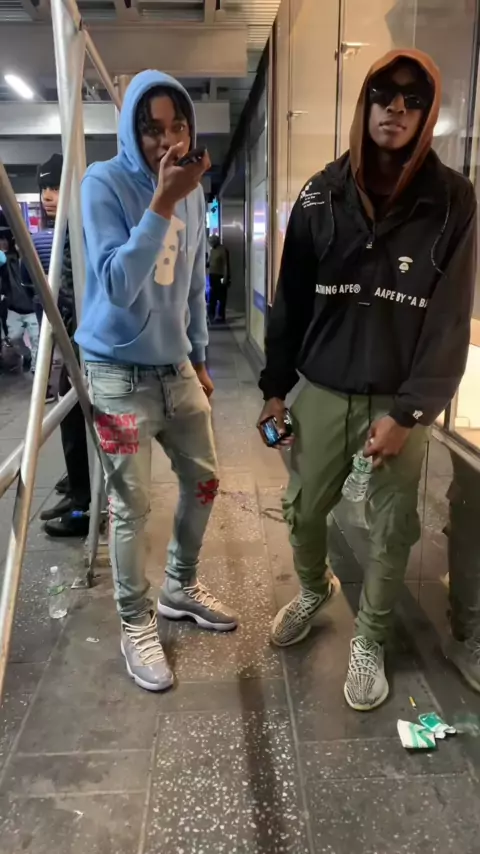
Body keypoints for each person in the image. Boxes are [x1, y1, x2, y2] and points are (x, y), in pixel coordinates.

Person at [258, 49, 477, 711]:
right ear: (365, 101)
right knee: (303, 512)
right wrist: (274, 388)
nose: (396, 109)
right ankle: (314, 589)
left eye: (413, 100)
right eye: (384, 94)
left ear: (427, 113)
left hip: (397, 399)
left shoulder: (451, 201)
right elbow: (290, 300)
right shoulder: (319, 194)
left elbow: (448, 317)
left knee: (391, 529)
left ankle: (371, 637)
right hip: (323, 390)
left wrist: (410, 414)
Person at [75, 70, 238, 693]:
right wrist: (162, 201)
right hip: (117, 376)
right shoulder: (102, 184)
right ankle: (134, 620)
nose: (167, 141)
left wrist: (200, 356)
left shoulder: (191, 189)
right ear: (131, 131)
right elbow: (118, 285)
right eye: (152, 129)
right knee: (131, 506)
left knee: (205, 480)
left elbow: (193, 279)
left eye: (177, 127)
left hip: (175, 368)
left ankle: (179, 585)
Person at [0, 233, 39, 372]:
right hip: (14, 309)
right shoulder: (7, 260)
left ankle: (36, 368)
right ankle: (27, 355)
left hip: (33, 309)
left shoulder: (34, 261)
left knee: (36, 340)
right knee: (14, 339)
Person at [208, 234, 230, 323]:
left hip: (220, 276)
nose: (211, 244)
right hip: (213, 276)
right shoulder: (212, 250)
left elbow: (225, 265)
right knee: (213, 296)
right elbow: (210, 262)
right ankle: (212, 314)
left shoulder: (223, 250)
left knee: (222, 296)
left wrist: (225, 277)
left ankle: (221, 315)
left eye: (212, 242)